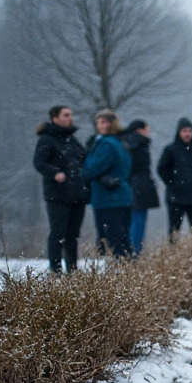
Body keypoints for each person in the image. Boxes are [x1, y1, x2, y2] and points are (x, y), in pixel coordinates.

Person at [33, 105, 90, 273]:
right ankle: (55, 270)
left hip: (77, 195)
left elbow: (83, 160)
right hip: (57, 195)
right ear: (55, 118)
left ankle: (72, 270)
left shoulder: (72, 139)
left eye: (71, 115)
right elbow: (39, 162)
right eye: (66, 115)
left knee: (73, 236)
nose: (70, 118)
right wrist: (55, 172)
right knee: (58, 234)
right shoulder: (47, 139)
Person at [81, 109, 133, 258]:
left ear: (111, 123)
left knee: (111, 240)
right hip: (123, 194)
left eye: (104, 122)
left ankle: (118, 272)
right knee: (123, 238)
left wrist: (85, 171)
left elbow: (92, 168)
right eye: (99, 122)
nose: (101, 125)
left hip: (108, 197)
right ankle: (128, 269)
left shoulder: (106, 144)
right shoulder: (122, 142)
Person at [157, 117, 192, 238]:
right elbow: (162, 169)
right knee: (174, 230)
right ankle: (174, 254)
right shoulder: (170, 150)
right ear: (179, 132)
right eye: (184, 131)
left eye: (189, 131)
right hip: (176, 198)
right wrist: (173, 183)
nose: (187, 134)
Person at [121, 119, 159, 255]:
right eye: (147, 130)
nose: (149, 133)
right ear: (139, 130)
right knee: (138, 220)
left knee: (132, 220)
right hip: (139, 186)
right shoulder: (138, 144)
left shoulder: (126, 143)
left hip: (133, 185)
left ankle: (131, 250)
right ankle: (135, 250)